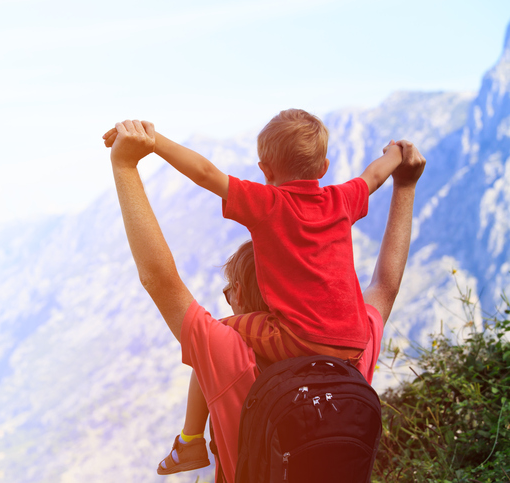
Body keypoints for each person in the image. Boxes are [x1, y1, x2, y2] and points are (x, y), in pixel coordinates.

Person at [106, 119, 425, 483]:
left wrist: (125, 165)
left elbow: (159, 279)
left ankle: (189, 437)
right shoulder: (353, 347)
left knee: (215, 333)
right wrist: (405, 185)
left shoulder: (230, 356)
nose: (226, 296)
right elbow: (385, 284)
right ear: (324, 167)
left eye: (231, 286)